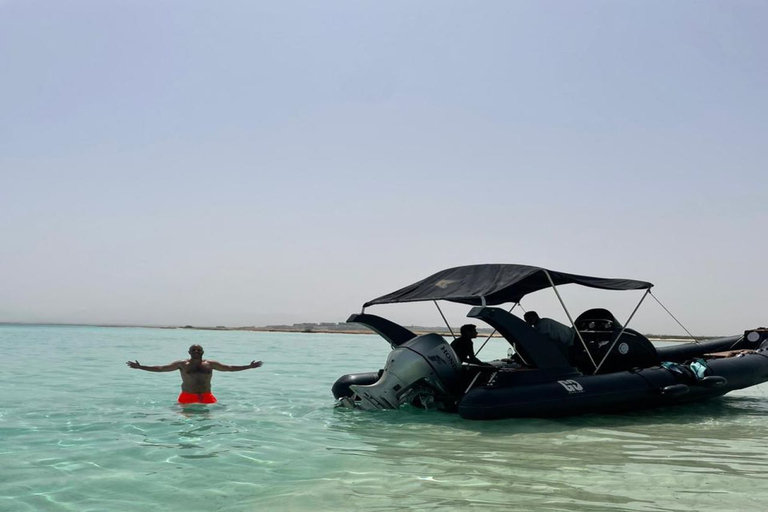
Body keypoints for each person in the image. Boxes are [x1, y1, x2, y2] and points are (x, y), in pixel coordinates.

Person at [126, 344, 263, 404]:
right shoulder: (182, 364)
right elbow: (161, 368)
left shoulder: (210, 364)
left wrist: (249, 367)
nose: (196, 352)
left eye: (199, 350)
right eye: (194, 350)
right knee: (186, 424)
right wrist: (141, 367)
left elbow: (229, 368)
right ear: (189, 352)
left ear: (202, 352)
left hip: (207, 396)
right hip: (187, 396)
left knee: (208, 424)